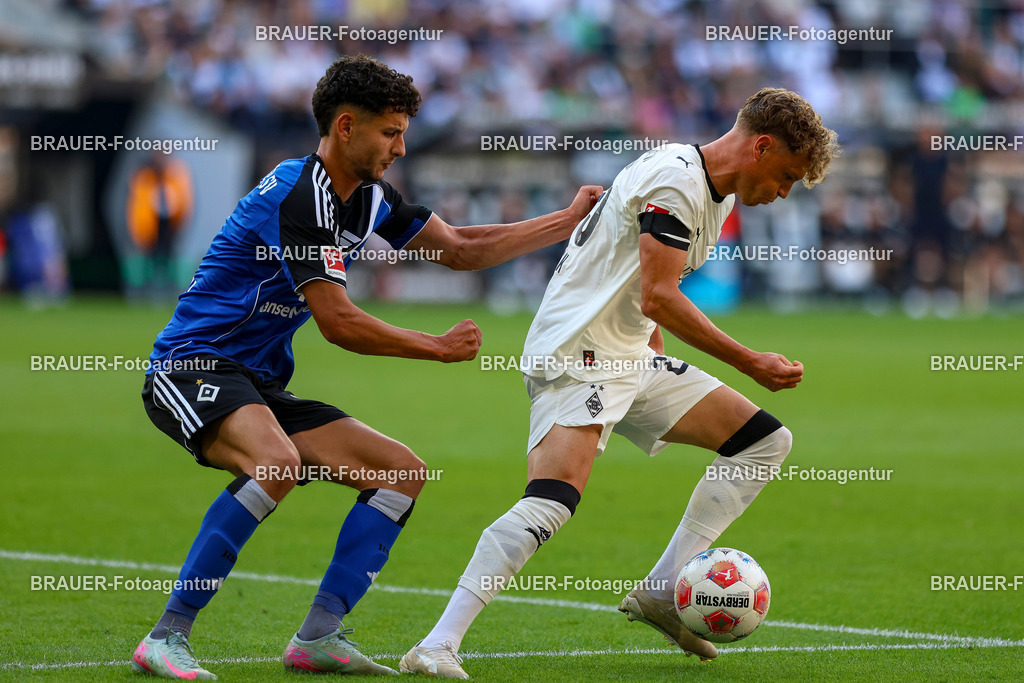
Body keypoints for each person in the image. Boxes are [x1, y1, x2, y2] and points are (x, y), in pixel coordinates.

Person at [131, 54, 602, 680]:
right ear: (346, 126)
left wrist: (567, 222)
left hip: (258, 382)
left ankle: (319, 637)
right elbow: (339, 323)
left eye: (404, 131)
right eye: (391, 132)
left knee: (400, 473)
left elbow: (459, 249)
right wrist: (434, 347)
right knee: (275, 463)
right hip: (192, 366)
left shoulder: (369, 199)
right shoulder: (301, 197)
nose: (401, 148)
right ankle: (167, 636)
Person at [401, 87, 841, 678]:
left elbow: (635, 283)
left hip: (626, 354)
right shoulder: (678, 182)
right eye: (786, 175)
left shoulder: (704, 186)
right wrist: (750, 360)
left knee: (764, 442)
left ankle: (663, 592)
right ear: (760, 146)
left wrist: (650, 344)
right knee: (552, 500)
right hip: (579, 355)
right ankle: (436, 644)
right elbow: (659, 294)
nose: (784, 191)